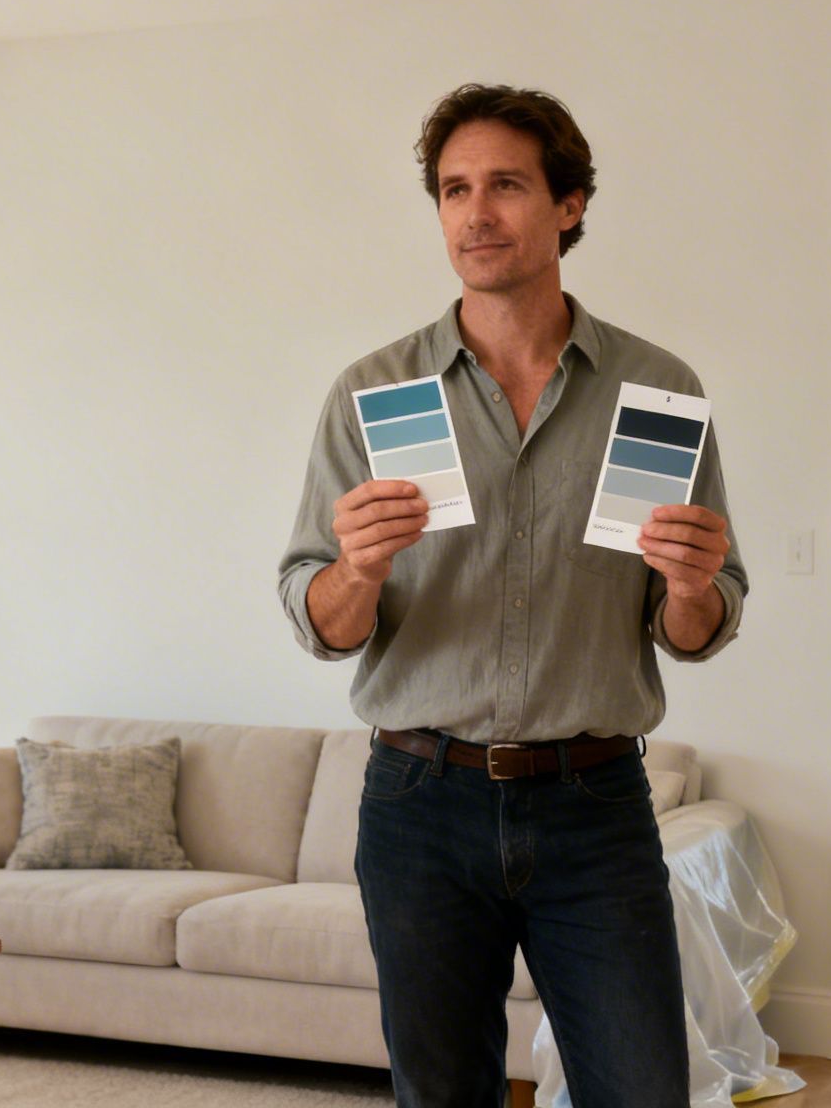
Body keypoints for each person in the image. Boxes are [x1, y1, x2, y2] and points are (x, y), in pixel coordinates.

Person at [277, 83, 749, 1108]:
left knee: (640, 1091)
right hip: (417, 805)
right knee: (438, 1093)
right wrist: (355, 571)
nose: (474, 214)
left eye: (503, 185)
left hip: (596, 808)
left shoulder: (653, 390)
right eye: (452, 190)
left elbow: (694, 631)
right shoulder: (375, 393)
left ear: (568, 204)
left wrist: (690, 586)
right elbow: (317, 622)